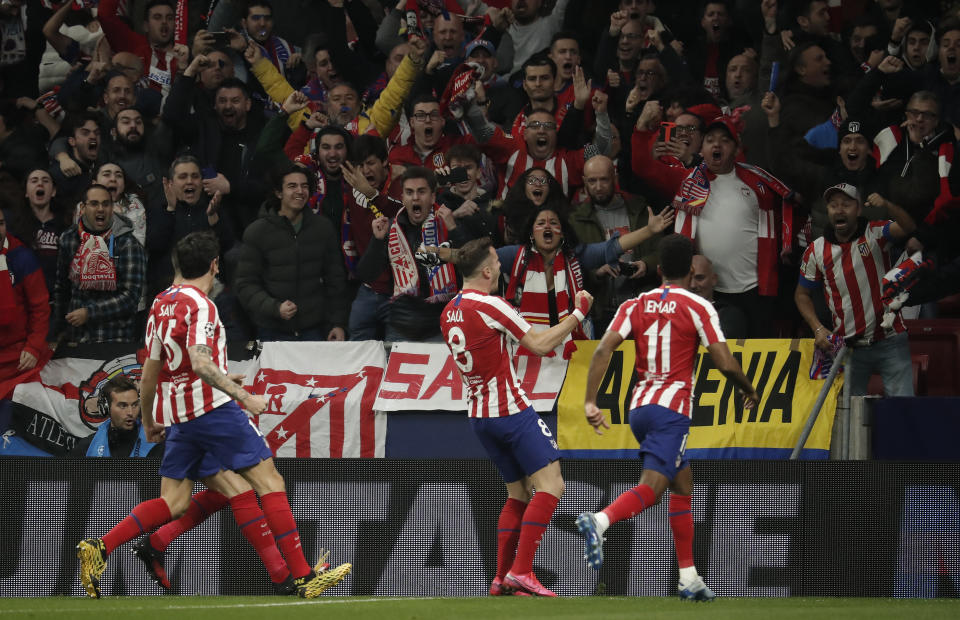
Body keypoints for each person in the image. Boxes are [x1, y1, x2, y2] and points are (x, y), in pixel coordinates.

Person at [76, 232, 351, 599]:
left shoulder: (161, 303)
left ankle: (100, 547)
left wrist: (151, 418)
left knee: (175, 502)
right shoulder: (202, 305)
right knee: (269, 482)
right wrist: (244, 397)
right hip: (212, 411)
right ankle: (302, 576)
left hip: (180, 416)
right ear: (215, 265)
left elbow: (154, 369)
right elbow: (202, 363)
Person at [576, 233, 760, 601]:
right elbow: (723, 361)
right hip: (671, 409)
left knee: (682, 483)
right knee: (654, 487)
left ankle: (688, 576)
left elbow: (602, 350)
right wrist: (748, 387)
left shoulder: (634, 304)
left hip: (640, 407)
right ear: (691, 273)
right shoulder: (698, 306)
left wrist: (590, 402)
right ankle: (600, 520)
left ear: (659, 270)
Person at [440, 237, 594, 597]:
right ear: (488, 270)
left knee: (518, 493)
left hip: (479, 415)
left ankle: (501, 578)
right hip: (509, 410)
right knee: (552, 484)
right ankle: (522, 571)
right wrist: (578, 314)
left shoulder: (448, 310)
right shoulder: (492, 305)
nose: (501, 267)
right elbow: (540, 345)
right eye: (497, 261)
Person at [795, 183, 917, 396]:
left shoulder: (876, 234)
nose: (839, 210)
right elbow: (801, 294)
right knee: (849, 418)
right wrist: (817, 328)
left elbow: (908, 227)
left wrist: (887, 205)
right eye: (833, 205)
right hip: (848, 348)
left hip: (890, 340)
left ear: (859, 209)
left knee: (903, 409)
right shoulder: (816, 250)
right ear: (828, 211)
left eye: (846, 205)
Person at [235, 164, 348, 341]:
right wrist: (275, 308)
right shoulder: (257, 232)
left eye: (304, 186)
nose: (300, 191)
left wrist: (337, 323)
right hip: (272, 329)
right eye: (292, 186)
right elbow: (245, 284)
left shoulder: (323, 228)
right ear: (278, 193)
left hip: (314, 329)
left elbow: (335, 280)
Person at [53, 183, 145, 344]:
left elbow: (130, 298)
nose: (101, 209)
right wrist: (59, 328)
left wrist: (90, 313)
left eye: (106, 204)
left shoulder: (128, 244)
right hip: (75, 336)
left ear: (112, 208)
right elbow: (62, 288)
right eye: (94, 204)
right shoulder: (69, 238)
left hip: (113, 337)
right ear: (82, 208)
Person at [0, 210, 49, 399]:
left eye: (1, 223)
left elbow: (40, 308)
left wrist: (33, 347)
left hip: (19, 357)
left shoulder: (22, 257)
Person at [70, 375, 162, 458]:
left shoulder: (159, 444)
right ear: (106, 407)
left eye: (134, 405)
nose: (130, 412)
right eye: (123, 406)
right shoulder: (88, 447)